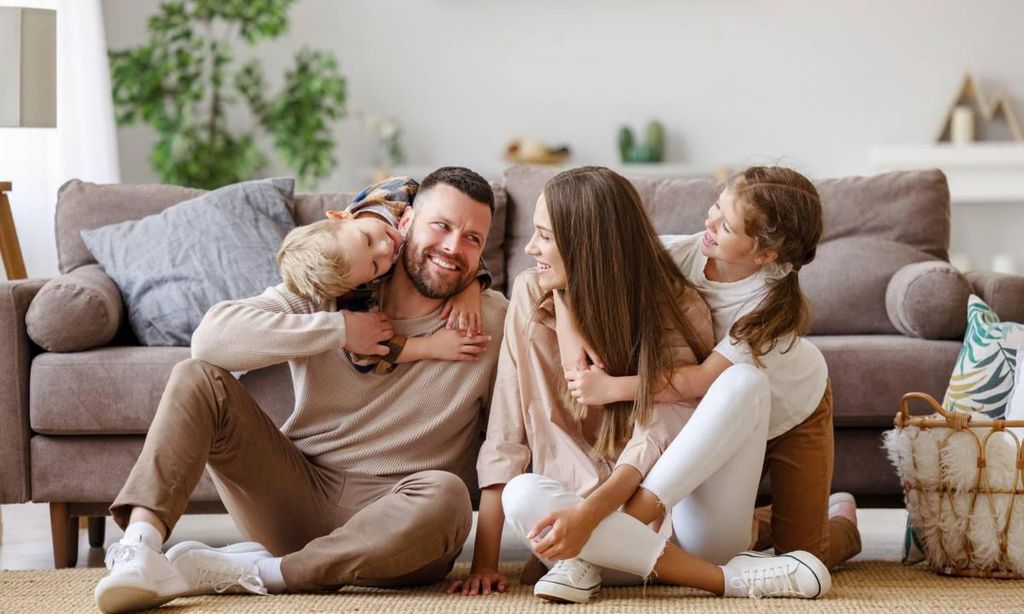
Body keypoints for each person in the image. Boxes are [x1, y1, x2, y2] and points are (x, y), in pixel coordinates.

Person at [93, 167, 508, 614]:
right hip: (300, 491)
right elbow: (210, 341)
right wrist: (338, 330)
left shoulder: (491, 318)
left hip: (401, 520)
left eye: (472, 239)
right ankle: (139, 550)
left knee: (447, 495)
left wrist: (488, 559)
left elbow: (508, 436)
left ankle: (265, 573)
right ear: (405, 224)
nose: (453, 248)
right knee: (197, 377)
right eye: (441, 226)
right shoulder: (337, 283)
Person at [450, 166, 830, 605]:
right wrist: (485, 563)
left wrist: (595, 512)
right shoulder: (545, 290)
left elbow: (683, 401)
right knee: (522, 494)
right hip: (583, 524)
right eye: (716, 209)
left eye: (545, 237)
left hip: (726, 450)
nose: (529, 248)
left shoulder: (702, 304)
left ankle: (814, 536)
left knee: (806, 543)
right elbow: (505, 433)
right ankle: (699, 567)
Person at [566, 166, 861, 572]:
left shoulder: (767, 308)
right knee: (717, 537)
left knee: (806, 555)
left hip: (792, 410)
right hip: (727, 416)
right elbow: (574, 276)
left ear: (765, 255)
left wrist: (611, 388)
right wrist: (574, 331)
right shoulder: (678, 255)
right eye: (715, 206)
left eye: (727, 225)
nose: (709, 222)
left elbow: (700, 380)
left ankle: (842, 521)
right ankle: (760, 526)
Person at [276, 175, 492, 374]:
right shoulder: (356, 288)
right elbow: (368, 355)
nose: (386, 248)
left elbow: (458, 224)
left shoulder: (398, 192)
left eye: (367, 239)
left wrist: (471, 287)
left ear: (341, 217)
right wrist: (431, 347)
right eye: (374, 266)